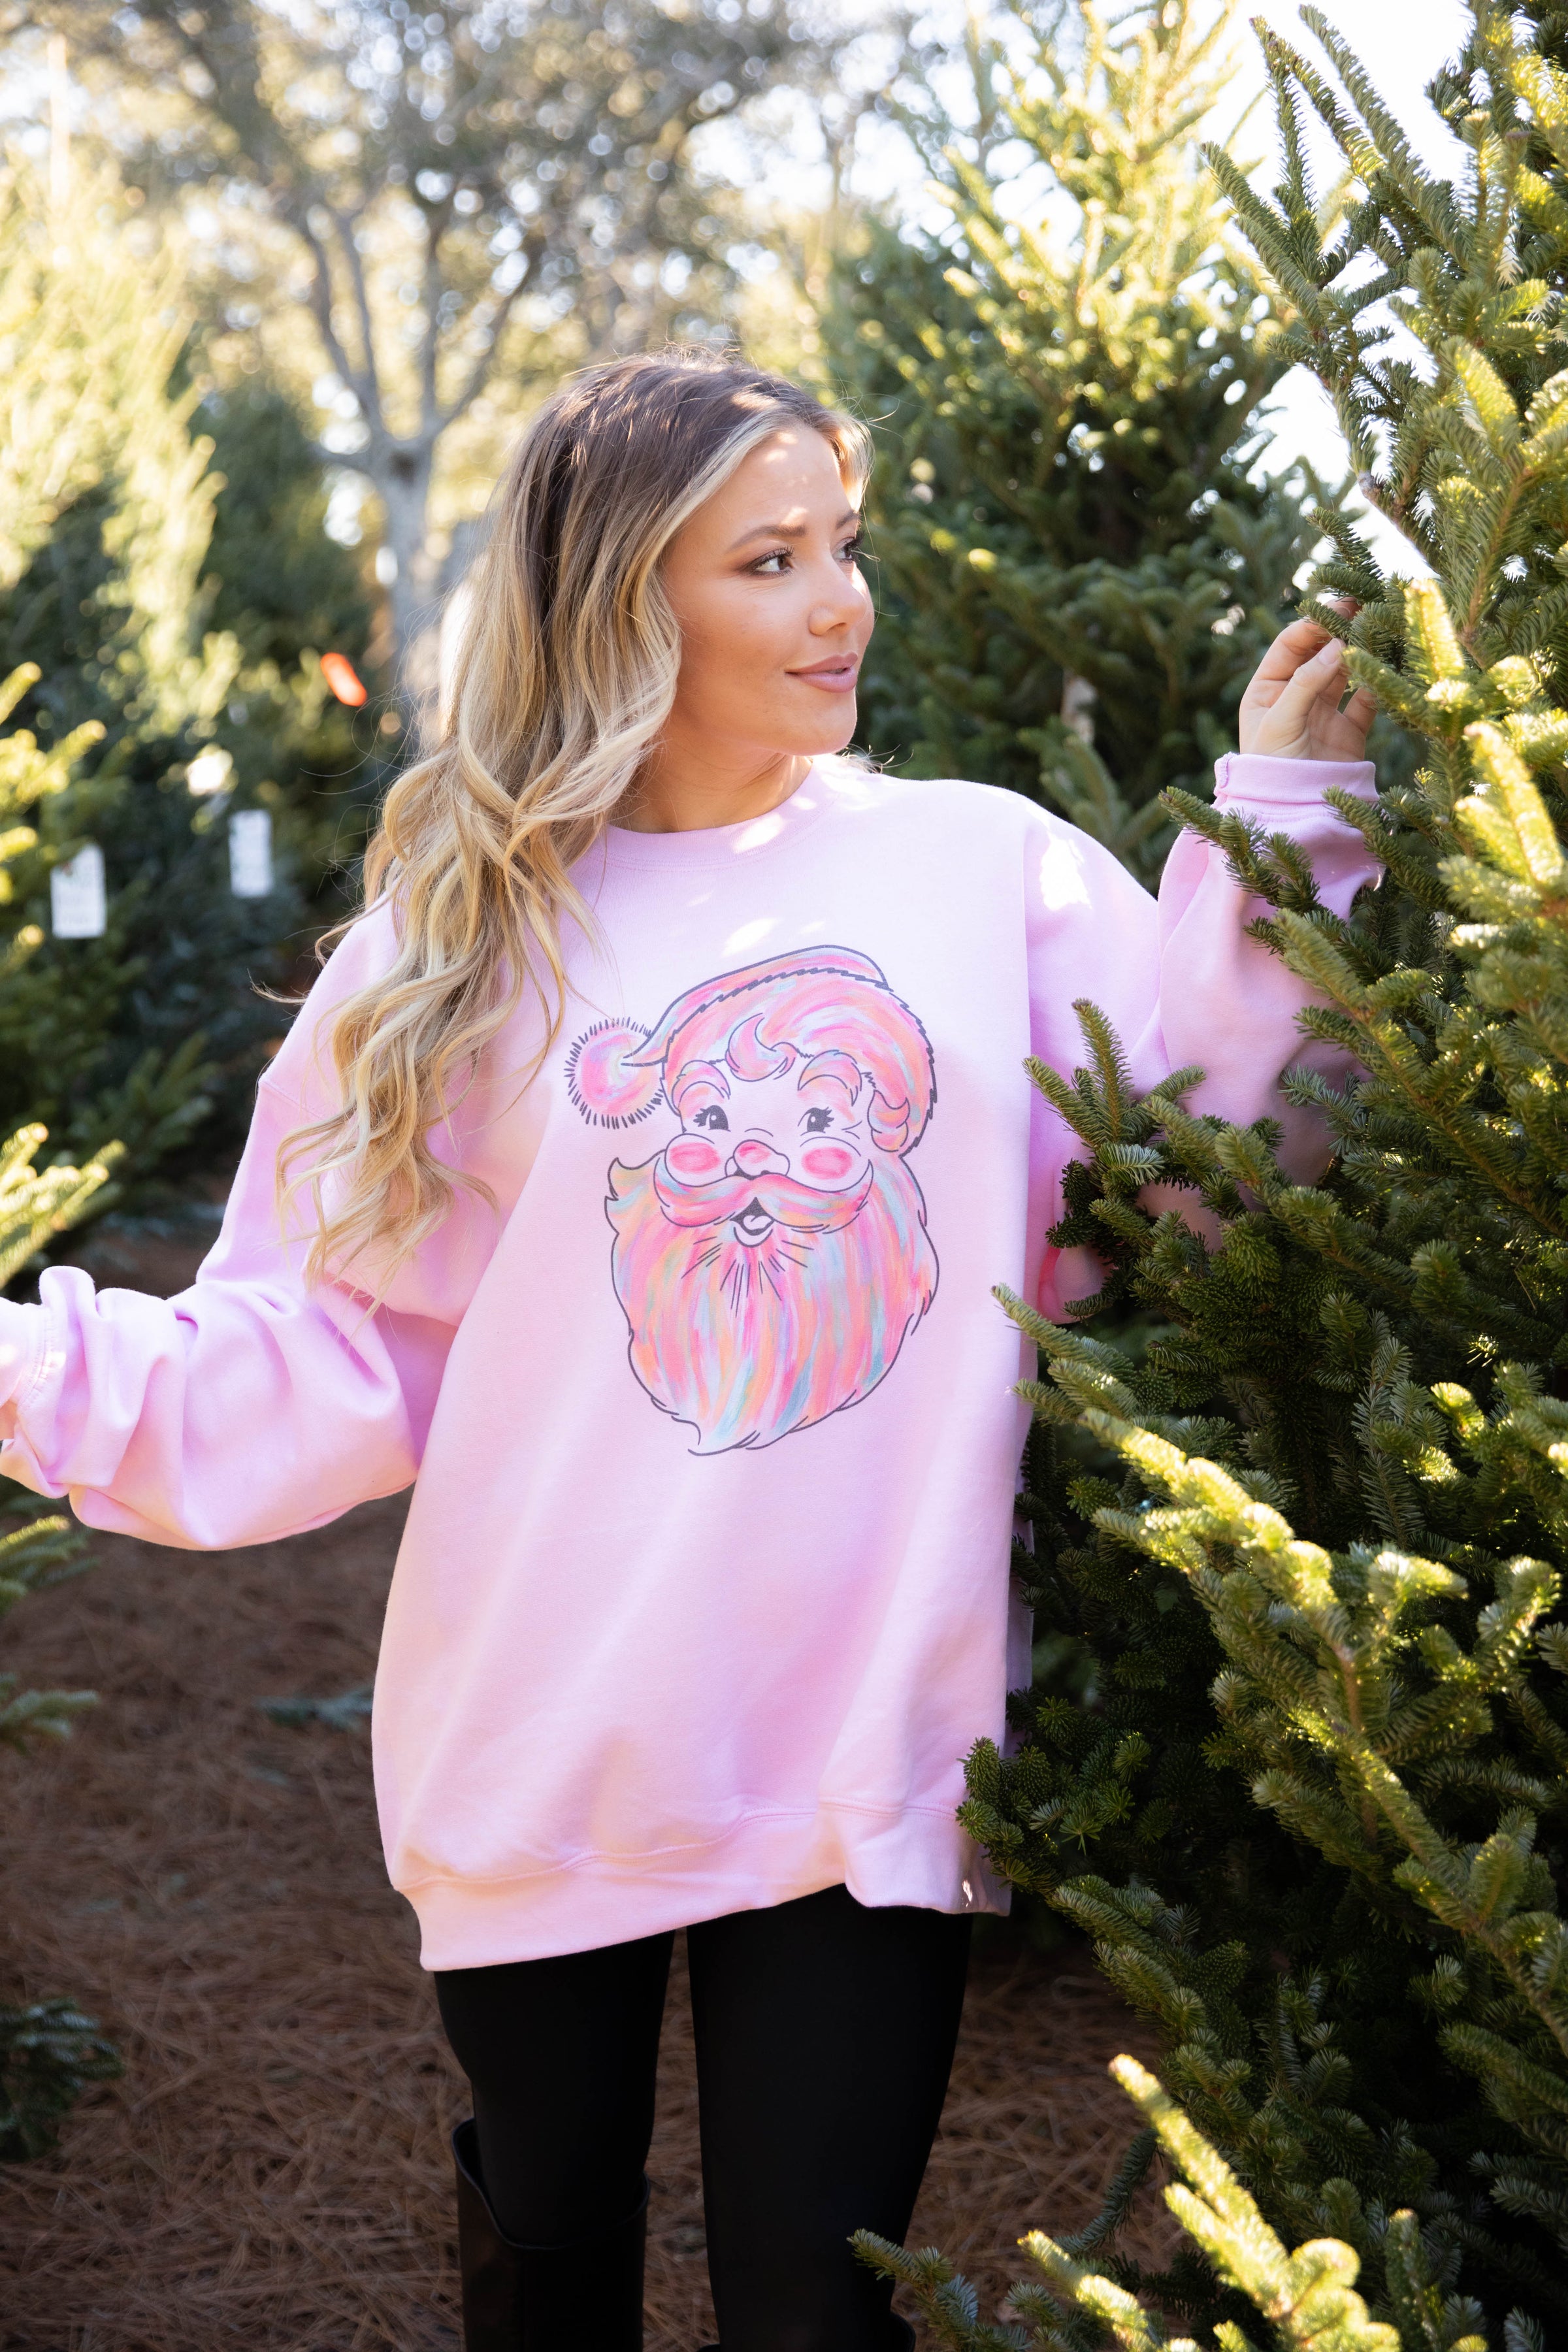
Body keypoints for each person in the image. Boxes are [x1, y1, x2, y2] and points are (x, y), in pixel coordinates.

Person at [0, 352, 1379, 2352]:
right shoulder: (465, 936)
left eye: (844, 546)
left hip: (868, 1747)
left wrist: (1295, 817)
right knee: (547, 2256)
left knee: (817, 2311)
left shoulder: (981, 870)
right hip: (545, 1730)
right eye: (770, 561)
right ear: (625, 603)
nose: (842, 605)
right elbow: (317, 1343)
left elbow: (1205, 1162)